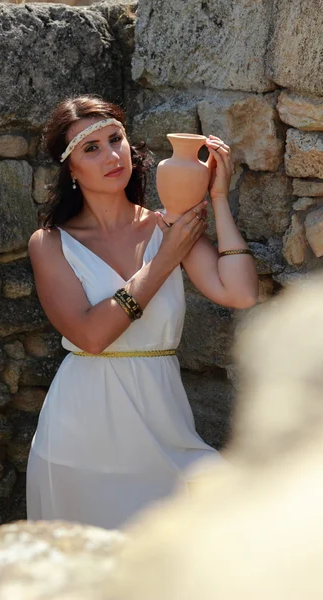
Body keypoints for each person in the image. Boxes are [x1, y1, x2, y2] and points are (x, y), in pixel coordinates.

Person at [26, 95, 259, 529]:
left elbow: (241, 292)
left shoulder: (165, 226)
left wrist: (219, 198)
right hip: (81, 437)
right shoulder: (51, 243)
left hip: (165, 426)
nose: (111, 155)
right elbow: (91, 337)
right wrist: (164, 262)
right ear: (70, 169)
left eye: (116, 140)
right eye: (90, 149)